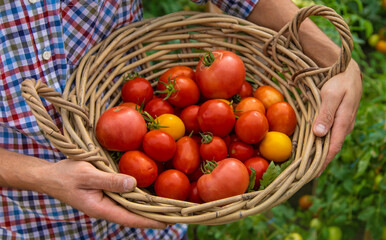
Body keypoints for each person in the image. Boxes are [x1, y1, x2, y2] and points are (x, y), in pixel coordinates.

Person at [0, 0, 362, 239]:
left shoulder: (188, 121)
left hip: (155, 216)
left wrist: (335, 60)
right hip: (28, 222)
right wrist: (41, 176)